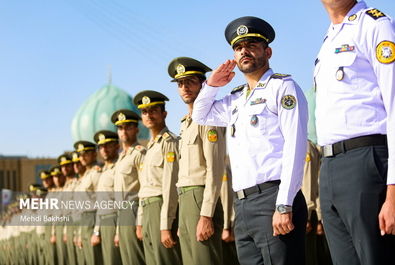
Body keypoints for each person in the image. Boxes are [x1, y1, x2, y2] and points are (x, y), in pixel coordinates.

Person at [192, 16, 308, 265]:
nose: (244, 50)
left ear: (267, 51)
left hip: (273, 198)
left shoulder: (282, 87)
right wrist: (211, 84)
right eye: (238, 47)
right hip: (242, 205)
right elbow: (200, 115)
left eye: (251, 45)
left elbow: (295, 147)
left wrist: (284, 205)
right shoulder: (235, 99)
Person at [314, 1, 395, 264]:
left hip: (366, 161)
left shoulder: (375, 25)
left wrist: (393, 189)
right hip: (329, 167)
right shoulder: (327, 40)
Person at [168, 57, 226, 265]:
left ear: (203, 84)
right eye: (180, 84)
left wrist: (207, 214)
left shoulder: (209, 119)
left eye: (190, 82)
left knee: (204, 259)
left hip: (200, 198)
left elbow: (215, 169)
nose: (184, 88)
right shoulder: (186, 124)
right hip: (185, 197)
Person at [134, 90, 182, 265]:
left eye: (154, 110)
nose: (149, 115)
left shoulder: (169, 142)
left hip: (161, 208)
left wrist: (165, 226)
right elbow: (143, 188)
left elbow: (170, 187)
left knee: (165, 260)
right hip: (147, 209)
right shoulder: (149, 148)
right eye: (145, 112)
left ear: (164, 114)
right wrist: (140, 221)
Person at [111, 109, 146, 265]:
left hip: (134, 211)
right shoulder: (121, 159)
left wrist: (140, 222)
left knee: (135, 259)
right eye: (120, 128)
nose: (123, 131)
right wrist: (118, 231)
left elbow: (144, 189)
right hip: (123, 214)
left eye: (128, 127)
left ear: (137, 129)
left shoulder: (140, 153)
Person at [91, 130, 123, 265]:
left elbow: (122, 202)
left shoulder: (119, 167)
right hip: (103, 221)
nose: (104, 149)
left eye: (108, 145)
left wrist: (119, 231)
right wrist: (96, 231)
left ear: (117, 146)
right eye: (101, 146)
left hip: (114, 220)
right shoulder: (102, 171)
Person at [73, 140, 103, 265]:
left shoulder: (96, 173)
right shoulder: (85, 175)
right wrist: (79, 233)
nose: (82, 157)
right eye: (80, 154)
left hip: (93, 218)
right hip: (84, 221)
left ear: (94, 154)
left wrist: (97, 231)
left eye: (86, 153)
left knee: (94, 260)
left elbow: (102, 203)